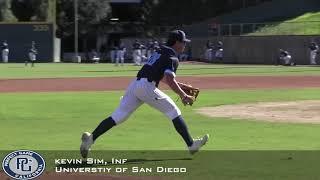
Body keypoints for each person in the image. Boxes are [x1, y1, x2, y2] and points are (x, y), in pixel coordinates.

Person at [80, 30, 209, 158]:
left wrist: (181, 87)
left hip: (136, 85)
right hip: (146, 87)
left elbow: (161, 76)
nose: (184, 45)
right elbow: (169, 79)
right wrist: (183, 95)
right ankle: (191, 145)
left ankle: (89, 140)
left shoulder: (160, 51)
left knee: (118, 116)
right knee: (173, 111)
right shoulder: (172, 58)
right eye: (183, 42)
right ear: (176, 42)